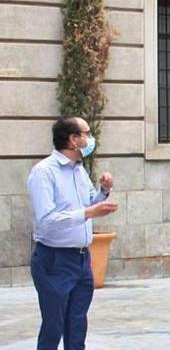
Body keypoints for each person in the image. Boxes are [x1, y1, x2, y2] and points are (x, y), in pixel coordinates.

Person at [27, 116, 118, 350]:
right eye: (87, 134)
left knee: (77, 325)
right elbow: (46, 221)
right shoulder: (44, 172)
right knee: (53, 325)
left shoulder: (78, 169)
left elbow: (88, 201)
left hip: (81, 258)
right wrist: (88, 213)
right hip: (54, 259)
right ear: (73, 139)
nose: (91, 139)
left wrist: (103, 192)